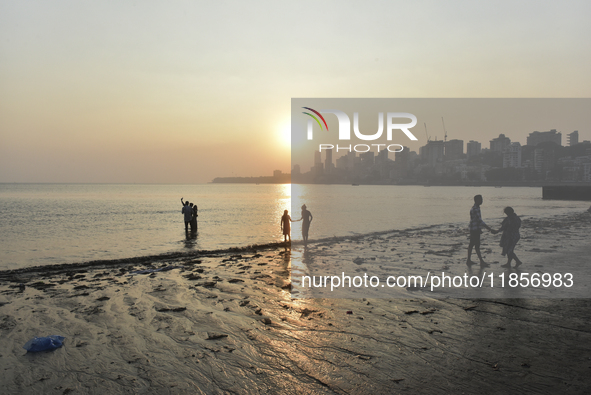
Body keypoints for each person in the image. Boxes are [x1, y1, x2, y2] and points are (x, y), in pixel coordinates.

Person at [467, 194, 493, 267]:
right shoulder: (475, 209)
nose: (482, 201)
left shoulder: (475, 208)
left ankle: (468, 260)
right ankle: (481, 261)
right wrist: (489, 229)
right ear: (476, 200)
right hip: (475, 229)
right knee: (477, 245)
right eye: (480, 200)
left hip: (473, 228)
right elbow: (479, 221)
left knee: (471, 244)